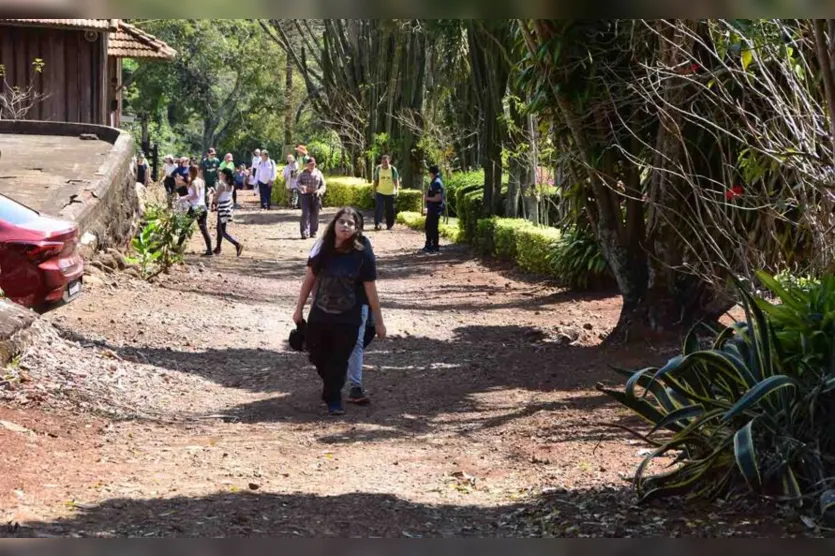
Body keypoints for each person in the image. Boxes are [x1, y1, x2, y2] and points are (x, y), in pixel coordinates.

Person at [292, 207, 386, 415]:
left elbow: (370, 288)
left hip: (349, 315)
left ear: (357, 229)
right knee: (317, 354)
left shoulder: (361, 254)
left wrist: (378, 321)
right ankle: (332, 387)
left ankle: (334, 398)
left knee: (340, 358)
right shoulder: (322, 248)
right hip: (321, 312)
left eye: (351, 223)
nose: (345, 226)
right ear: (334, 224)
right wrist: (298, 308)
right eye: (342, 221)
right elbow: (309, 278)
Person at [177, 164, 213, 256]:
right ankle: (210, 250)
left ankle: (176, 248)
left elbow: (195, 195)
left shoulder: (194, 183)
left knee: (185, 228)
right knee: (204, 229)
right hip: (203, 207)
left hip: (195, 207)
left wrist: (183, 198)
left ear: (190, 172)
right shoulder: (201, 181)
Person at [213, 168, 244, 257]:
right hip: (227, 208)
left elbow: (216, 198)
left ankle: (237, 244)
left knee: (222, 231)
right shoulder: (231, 185)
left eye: (221, 174)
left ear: (225, 175)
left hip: (222, 208)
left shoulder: (222, 185)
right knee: (220, 228)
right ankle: (218, 248)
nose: (220, 175)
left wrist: (212, 195)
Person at [297, 156, 327, 239]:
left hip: (315, 196)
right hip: (305, 195)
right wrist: (301, 187)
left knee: (315, 215)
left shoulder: (319, 173)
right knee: (305, 214)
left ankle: (313, 232)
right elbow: (297, 182)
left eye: (313, 164)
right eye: (310, 164)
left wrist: (320, 191)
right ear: (307, 165)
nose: (312, 166)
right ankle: (304, 232)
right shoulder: (302, 173)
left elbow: (323, 184)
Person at [373, 154, 400, 231]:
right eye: (383, 161)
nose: (385, 163)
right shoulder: (378, 168)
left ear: (389, 161)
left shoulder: (393, 169)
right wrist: (374, 190)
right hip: (380, 192)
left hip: (390, 192)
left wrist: (397, 189)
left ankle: (390, 225)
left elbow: (396, 180)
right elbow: (376, 180)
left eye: (386, 162)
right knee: (379, 208)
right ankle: (378, 224)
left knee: (390, 209)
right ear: (381, 161)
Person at [423, 164, 445, 254]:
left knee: (433, 227)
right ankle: (428, 244)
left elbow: (438, 198)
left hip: (435, 208)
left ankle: (434, 246)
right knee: (428, 226)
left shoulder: (437, 183)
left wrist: (427, 198)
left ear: (431, 173)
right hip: (431, 208)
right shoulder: (434, 181)